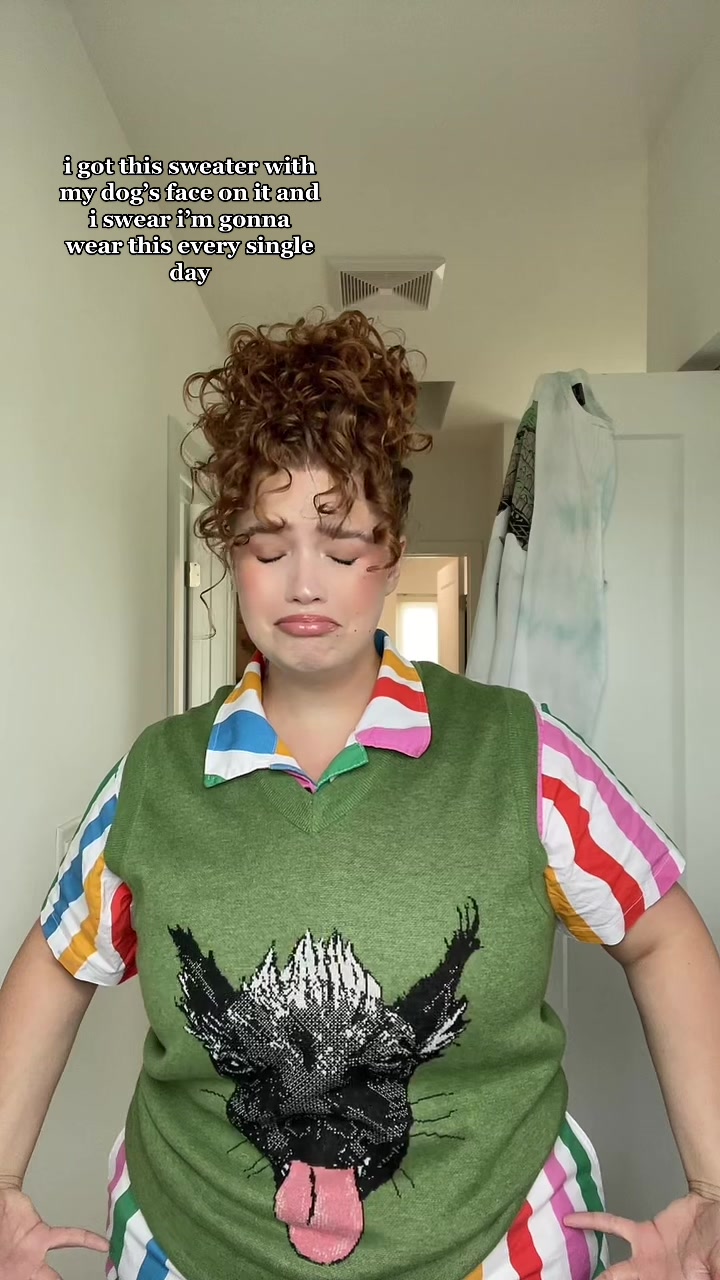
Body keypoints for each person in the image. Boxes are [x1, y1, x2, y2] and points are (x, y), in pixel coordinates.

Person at [1, 311, 719, 1280]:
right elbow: (56, 962)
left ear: (392, 549)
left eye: (341, 547)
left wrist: (716, 1188)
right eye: (268, 546)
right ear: (229, 550)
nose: (305, 584)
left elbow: (661, 931)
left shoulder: (523, 753)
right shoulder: (154, 778)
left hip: (502, 1248)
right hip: (188, 1245)